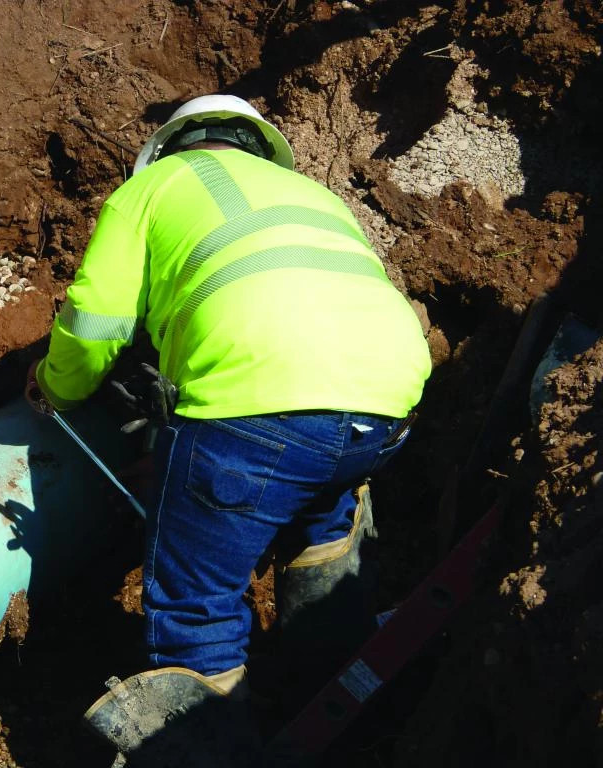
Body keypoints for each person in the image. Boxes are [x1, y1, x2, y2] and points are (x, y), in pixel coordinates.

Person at [24, 95, 432, 752]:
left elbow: (98, 318)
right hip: (385, 405)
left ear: (166, 150)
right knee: (322, 526)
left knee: (195, 613)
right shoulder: (311, 195)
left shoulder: (152, 188)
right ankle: (341, 713)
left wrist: (56, 386)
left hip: (255, 412)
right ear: (254, 149)